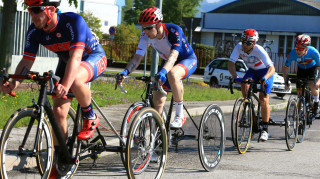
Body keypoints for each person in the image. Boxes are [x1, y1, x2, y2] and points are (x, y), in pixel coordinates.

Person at [0, 0, 107, 177]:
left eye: (36, 10)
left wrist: (65, 84)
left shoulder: (72, 22)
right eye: (30, 10)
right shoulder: (34, 30)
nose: (32, 15)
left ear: (51, 9)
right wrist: (13, 83)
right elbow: (27, 61)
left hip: (92, 57)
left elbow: (76, 57)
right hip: (67, 63)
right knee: (58, 110)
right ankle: (60, 160)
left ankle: (90, 116)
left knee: (74, 80)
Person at [118, 6, 197, 128]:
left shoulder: (173, 30)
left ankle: (180, 116)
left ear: (159, 24)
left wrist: (163, 72)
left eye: (149, 28)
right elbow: (137, 57)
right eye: (144, 28)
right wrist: (125, 72)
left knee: (173, 74)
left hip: (186, 59)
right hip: (167, 62)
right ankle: (159, 135)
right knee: (158, 100)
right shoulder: (145, 36)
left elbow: (173, 56)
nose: (146, 31)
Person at [228, 29, 275, 142]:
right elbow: (231, 63)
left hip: (265, 72)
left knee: (263, 99)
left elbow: (272, 68)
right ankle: (248, 105)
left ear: (254, 43)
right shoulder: (238, 47)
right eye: (243, 41)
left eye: (248, 43)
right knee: (244, 85)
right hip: (252, 71)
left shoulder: (259, 50)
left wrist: (265, 78)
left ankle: (264, 129)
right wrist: (235, 76)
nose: (245, 45)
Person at [282, 34, 320, 123]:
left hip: (312, 69)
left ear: (307, 48)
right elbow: (285, 68)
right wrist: (285, 81)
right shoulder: (293, 53)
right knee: (299, 93)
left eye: (301, 48)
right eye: (297, 48)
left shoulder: (314, 52)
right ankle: (300, 112)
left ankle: (316, 102)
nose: (298, 51)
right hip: (301, 69)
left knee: (312, 85)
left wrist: (318, 81)